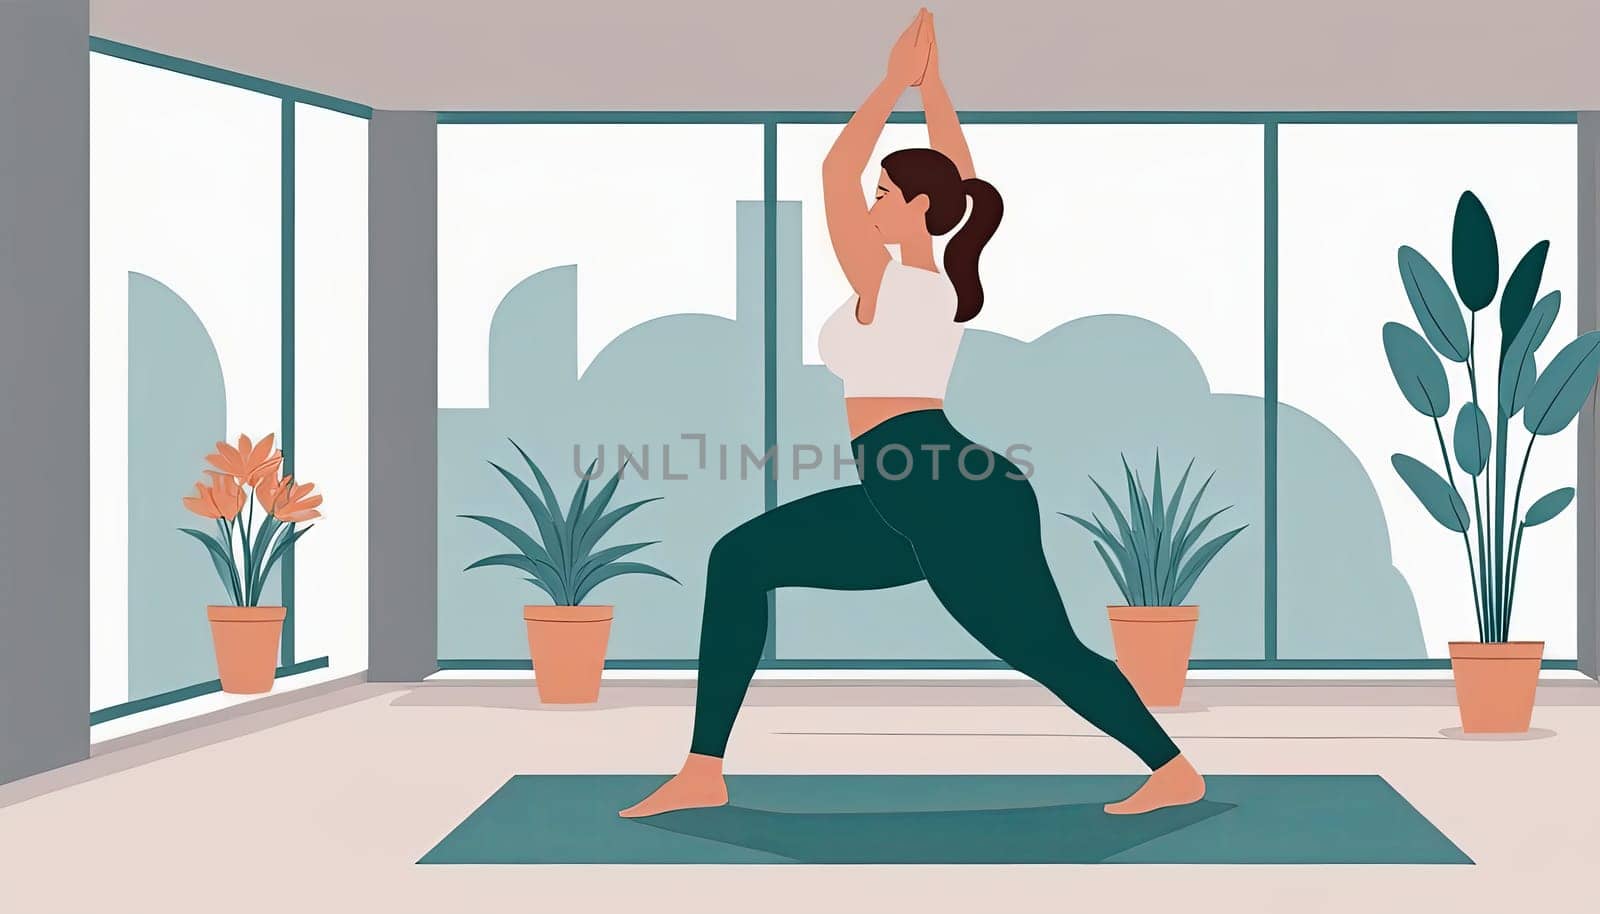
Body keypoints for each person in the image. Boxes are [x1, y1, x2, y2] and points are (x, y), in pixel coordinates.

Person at [621, 8, 1204, 819]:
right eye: (877, 191)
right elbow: (954, 172)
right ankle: (703, 770)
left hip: (941, 487)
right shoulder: (929, 281)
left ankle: (1172, 769)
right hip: (909, 488)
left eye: (885, 193)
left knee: (1041, 647)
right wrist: (935, 89)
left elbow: (833, 174)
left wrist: (892, 82)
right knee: (741, 560)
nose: (869, 201)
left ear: (917, 213)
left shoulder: (895, 283)